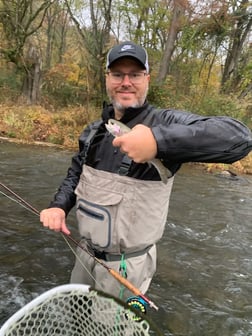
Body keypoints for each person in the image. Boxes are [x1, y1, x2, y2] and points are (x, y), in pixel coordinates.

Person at [40, 41, 252, 303]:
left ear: (147, 79)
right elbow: (76, 174)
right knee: (76, 319)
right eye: (117, 74)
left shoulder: (167, 122)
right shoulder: (95, 130)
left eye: (135, 75)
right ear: (107, 79)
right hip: (84, 255)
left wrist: (158, 141)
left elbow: (239, 138)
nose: (126, 82)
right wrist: (59, 206)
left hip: (128, 267)